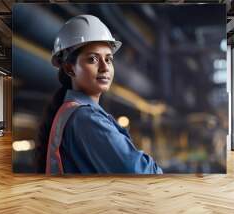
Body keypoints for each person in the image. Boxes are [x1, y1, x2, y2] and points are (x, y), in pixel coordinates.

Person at [36, 14, 162, 175]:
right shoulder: (86, 118)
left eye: (108, 59)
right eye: (93, 59)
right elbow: (140, 173)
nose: (104, 67)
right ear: (69, 68)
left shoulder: (75, 113)